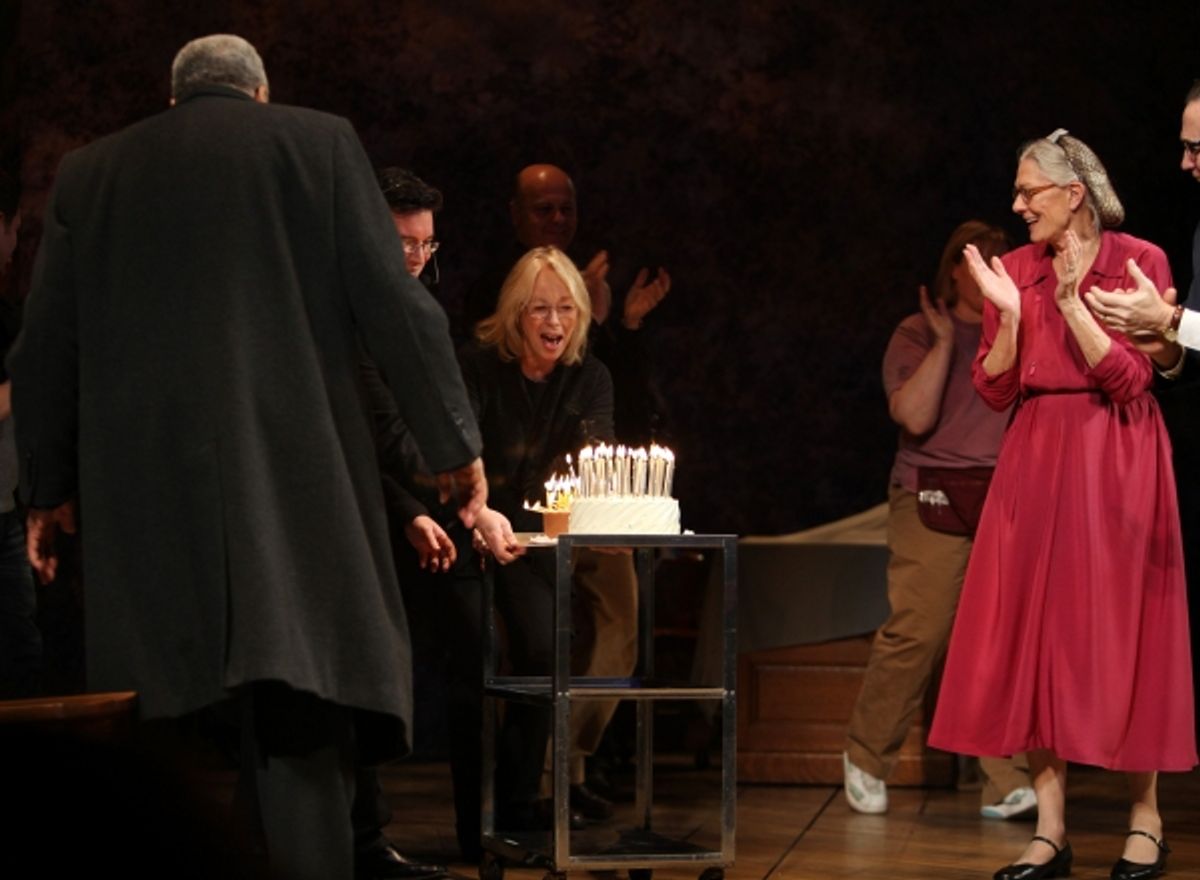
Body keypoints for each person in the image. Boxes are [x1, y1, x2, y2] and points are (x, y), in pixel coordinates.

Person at [8, 34, 486, 880]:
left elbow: (45, 345)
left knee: (156, 720)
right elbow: (396, 305)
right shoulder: (319, 143)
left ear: (172, 99)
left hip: (147, 492)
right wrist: (454, 446)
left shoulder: (92, 172)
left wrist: (45, 488)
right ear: (261, 94)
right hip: (294, 485)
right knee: (302, 705)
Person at [928, 130, 1196, 880]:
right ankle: (1051, 831)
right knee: (1038, 634)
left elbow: (1132, 380)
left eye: (1029, 191)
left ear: (1074, 193)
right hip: (1037, 453)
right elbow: (995, 388)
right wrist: (1012, 317)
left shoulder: (1140, 262)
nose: (1017, 206)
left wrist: (1074, 302)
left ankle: (1145, 819)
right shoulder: (1015, 270)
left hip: (1117, 452)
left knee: (1125, 629)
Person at [842, 220, 1034, 820]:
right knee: (919, 631)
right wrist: (947, 343)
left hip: (1004, 494)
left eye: (1001, 262)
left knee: (999, 638)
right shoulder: (919, 330)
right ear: (954, 268)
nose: (989, 272)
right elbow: (914, 417)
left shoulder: (1021, 328)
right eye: (978, 261)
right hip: (932, 493)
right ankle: (867, 756)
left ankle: (1005, 781)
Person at [457, 246, 616, 831]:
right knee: (475, 661)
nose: (554, 322)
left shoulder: (590, 376)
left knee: (546, 651)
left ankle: (521, 804)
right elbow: (457, 451)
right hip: (467, 525)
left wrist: (594, 520)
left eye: (566, 308)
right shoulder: (476, 367)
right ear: (515, 313)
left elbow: (594, 461)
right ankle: (478, 822)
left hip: (540, 539)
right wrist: (478, 515)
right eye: (540, 308)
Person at [0, 166, 41, 700]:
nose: (16, 246)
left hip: (6, 511)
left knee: (22, 657)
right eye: (15, 230)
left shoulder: (8, 314)